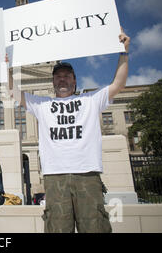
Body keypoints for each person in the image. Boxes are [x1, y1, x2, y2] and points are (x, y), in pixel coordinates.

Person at [7, 28, 130, 233]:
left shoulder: (90, 100)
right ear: (53, 81)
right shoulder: (42, 104)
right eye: (58, 76)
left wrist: (124, 52)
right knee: (57, 228)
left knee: (95, 227)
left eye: (66, 76)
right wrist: (5, 68)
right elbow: (13, 91)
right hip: (55, 177)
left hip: (87, 174)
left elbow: (119, 83)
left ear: (74, 80)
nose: (62, 79)